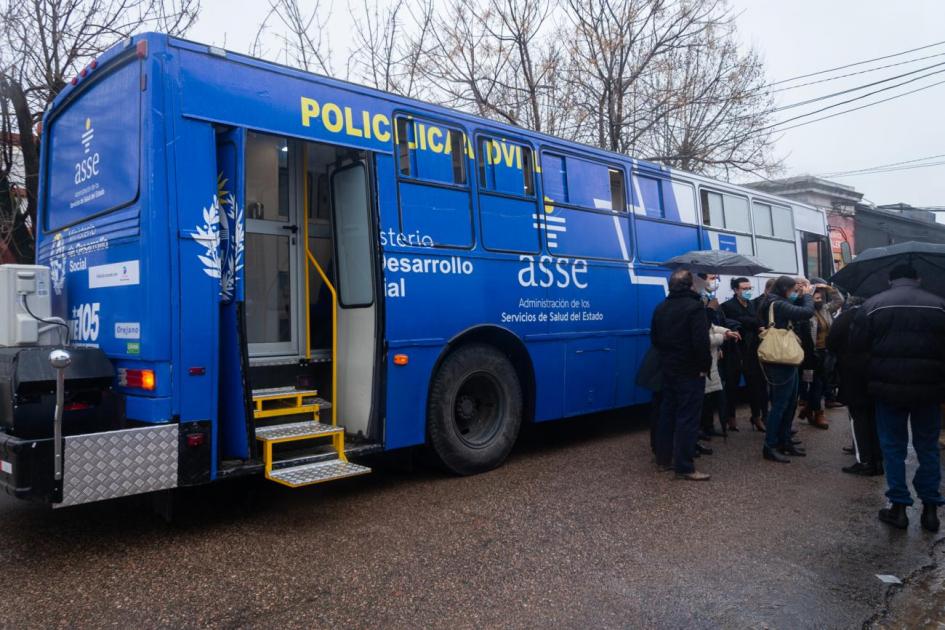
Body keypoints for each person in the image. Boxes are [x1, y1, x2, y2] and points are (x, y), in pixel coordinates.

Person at [850, 264, 945, 532]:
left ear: (890, 281)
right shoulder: (939, 305)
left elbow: (857, 350)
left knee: (893, 447)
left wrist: (871, 379)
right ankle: (930, 509)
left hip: (886, 390)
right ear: (919, 279)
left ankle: (899, 508)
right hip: (929, 390)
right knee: (927, 447)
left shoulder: (872, 305)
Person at [651, 269, 712, 481]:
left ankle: (663, 460)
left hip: (668, 369)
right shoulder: (695, 308)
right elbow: (701, 343)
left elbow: (655, 340)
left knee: (666, 414)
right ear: (690, 286)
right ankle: (685, 466)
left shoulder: (661, 307)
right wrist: (705, 366)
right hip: (690, 370)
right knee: (688, 418)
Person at [758, 275, 815, 463]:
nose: (793, 293)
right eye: (791, 290)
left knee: (790, 403)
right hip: (780, 360)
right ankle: (770, 445)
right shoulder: (778, 304)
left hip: (787, 360)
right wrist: (807, 296)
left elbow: (795, 308)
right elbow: (806, 312)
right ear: (784, 289)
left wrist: (799, 293)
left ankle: (784, 441)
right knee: (780, 405)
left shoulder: (776, 301)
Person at [826, 296, 883, 476]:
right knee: (876, 417)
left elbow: (831, 343)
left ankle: (864, 460)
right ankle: (879, 459)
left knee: (858, 418)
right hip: (877, 373)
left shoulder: (845, 318)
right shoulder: (880, 314)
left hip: (852, 374)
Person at [721, 278, 767, 432]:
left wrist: (753, 322)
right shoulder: (727, 306)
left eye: (750, 287)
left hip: (752, 351)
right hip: (734, 351)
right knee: (732, 386)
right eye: (744, 288)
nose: (748, 290)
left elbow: (759, 320)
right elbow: (737, 321)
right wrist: (754, 323)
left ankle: (756, 416)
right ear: (735, 290)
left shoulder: (754, 304)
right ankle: (730, 417)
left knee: (755, 386)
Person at [798, 280, 843, 430]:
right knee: (815, 383)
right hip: (810, 354)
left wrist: (830, 289)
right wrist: (807, 294)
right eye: (816, 298)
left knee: (821, 383)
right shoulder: (805, 312)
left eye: (820, 298)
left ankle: (809, 409)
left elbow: (839, 301)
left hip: (825, 352)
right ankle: (818, 412)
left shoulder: (825, 309)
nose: (819, 300)